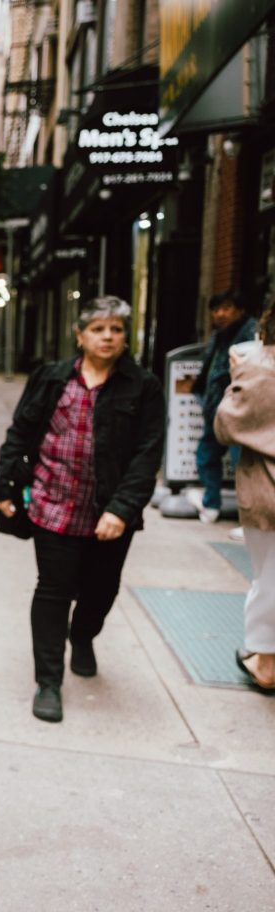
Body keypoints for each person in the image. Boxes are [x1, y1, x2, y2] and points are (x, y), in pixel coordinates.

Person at [0, 296, 164, 723]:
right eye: (98, 329)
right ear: (80, 335)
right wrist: (4, 483)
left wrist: (121, 509)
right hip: (52, 505)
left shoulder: (142, 386)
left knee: (101, 592)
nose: (108, 337)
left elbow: (147, 454)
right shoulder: (51, 378)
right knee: (52, 590)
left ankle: (83, 636)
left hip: (108, 514)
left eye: (116, 329)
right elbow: (21, 431)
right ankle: (48, 682)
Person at [215, 295, 275, 695]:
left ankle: (266, 662)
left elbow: (226, 426)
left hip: (268, 492)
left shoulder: (260, 367)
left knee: (269, 575)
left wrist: (241, 379)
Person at [189, 290, 258, 524]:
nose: (220, 314)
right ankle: (211, 505)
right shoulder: (219, 336)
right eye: (216, 309)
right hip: (216, 409)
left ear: (240, 310)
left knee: (244, 463)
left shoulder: (252, 334)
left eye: (226, 308)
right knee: (206, 455)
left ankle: (250, 515)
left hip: (242, 410)